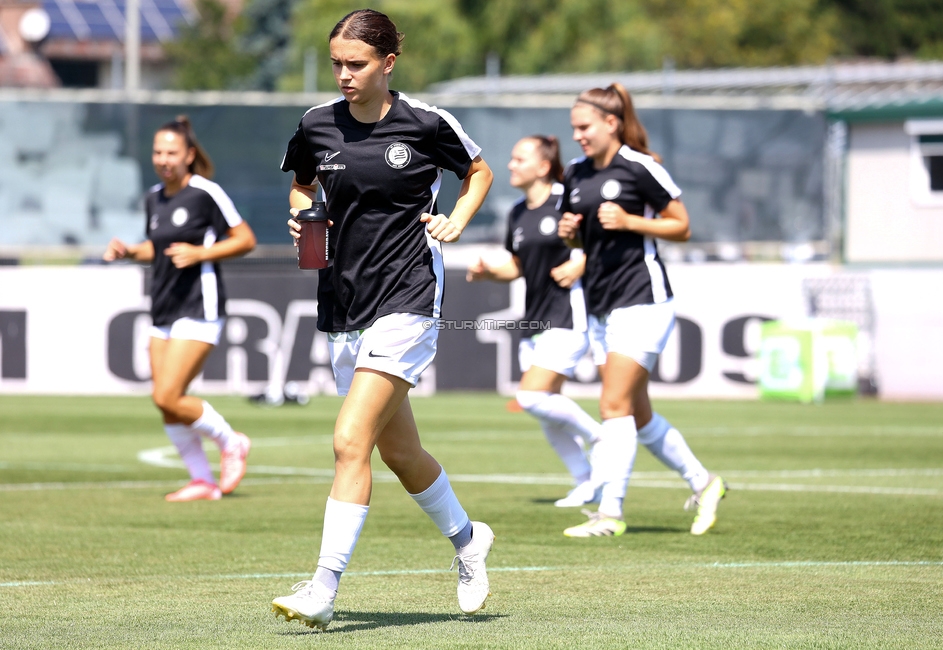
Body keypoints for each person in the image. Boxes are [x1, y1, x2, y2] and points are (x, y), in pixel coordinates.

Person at [270, 9, 495, 630]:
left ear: (387, 64)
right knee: (401, 452)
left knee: (349, 440)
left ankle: (322, 586)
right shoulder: (316, 124)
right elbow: (300, 188)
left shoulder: (425, 123)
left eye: (357, 64)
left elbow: (478, 172)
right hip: (342, 301)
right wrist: (302, 215)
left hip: (408, 295)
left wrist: (457, 218)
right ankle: (468, 539)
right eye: (336, 62)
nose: (343, 74)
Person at [557, 83, 727, 537]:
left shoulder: (639, 167)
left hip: (643, 299)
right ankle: (704, 482)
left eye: (584, 127)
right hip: (600, 303)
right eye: (573, 128)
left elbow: (682, 225)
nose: (577, 136)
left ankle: (610, 514)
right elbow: (579, 242)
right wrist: (570, 232)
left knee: (613, 404)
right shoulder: (575, 173)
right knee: (638, 414)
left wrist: (631, 221)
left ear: (611, 123)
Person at [103, 116, 256, 502]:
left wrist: (202, 252)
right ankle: (202, 480)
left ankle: (231, 441)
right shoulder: (154, 197)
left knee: (168, 396)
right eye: (157, 152)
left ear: (189, 155)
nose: (163, 159)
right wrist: (129, 251)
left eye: (171, 152)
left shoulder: (206, 193)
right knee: (167, 402)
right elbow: (156, 248)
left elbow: (245, 239)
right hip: (163, 307)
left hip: (199, 306)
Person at [467, 135, 603, 507]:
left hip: (569, 314)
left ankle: (601, 436)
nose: (511, 164)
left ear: (543, 166)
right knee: (548, 411)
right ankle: (587, 481)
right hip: (535, 321)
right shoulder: (517, 212)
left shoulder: (567, 200)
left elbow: (604, 242)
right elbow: (517, 266)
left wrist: (582, 260)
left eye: (519, 158)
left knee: (531, 396)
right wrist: (489, 272)